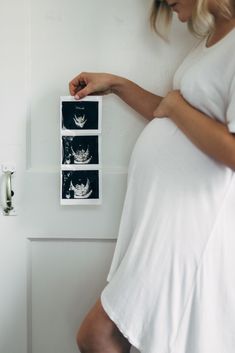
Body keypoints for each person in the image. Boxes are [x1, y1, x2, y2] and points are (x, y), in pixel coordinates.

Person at [69, 1, 235, 352]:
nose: (165, 3)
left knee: (96, 334)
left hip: (190, 224)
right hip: (164, 223)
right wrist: (117, 84)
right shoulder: (210, 41)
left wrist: (176, 105)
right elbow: (172, 114)